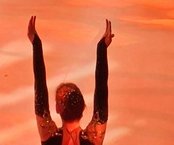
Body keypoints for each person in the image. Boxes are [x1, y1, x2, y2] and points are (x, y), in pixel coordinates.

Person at [28, 15, 112, 145]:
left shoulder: (48, 135)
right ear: (83, 108)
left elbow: (40, 90)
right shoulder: (94, 138)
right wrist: (102, 48)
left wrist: (36, 44)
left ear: (57, 108)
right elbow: (101, 94)